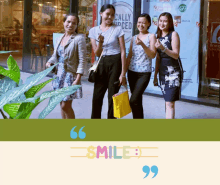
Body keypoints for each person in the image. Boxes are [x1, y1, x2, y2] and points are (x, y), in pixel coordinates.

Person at [88, 4, 127, 119]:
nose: (110, 17)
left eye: (112, 15)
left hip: (115, 62)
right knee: (97, 97)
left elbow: (123, 51)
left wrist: (123, 73)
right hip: (101, 63)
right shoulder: (93, 31)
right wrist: (100, 42)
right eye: (107, 14)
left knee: (113, 97)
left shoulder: (118, 29)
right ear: (101, 14)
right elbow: (97, 53)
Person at [46, 13, 86, 119]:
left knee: (65, 106)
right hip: (58, 75)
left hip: (70, 76)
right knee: (61, 104)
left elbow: (82, 61)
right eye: (68, 22)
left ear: (77, 25)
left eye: (74, 23)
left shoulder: (79, 38)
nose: (70, 25)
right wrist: (49, 62)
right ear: (64, 22)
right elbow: (55, 56)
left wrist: (77, 79)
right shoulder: (59, 38)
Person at [153, 12, 183, 119]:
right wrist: (155, 75)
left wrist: (163, 48)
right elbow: (157, 58)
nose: (162, 23)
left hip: (173, 72)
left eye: (165, 21)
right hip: (162, 72)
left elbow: (176, 55)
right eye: (160, 21)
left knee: (170, 103)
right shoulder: (157, 36)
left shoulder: (173, 34)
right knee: (167, 102)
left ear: (170, 22)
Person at [126, 13, 156, 119]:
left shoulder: (151, 36)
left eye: (143, 22)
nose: (141, 25)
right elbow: (129, 56)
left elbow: (152, 55)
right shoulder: (133, 38)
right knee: (137, 101)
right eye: (139, 22)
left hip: (144, 73)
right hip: (131, 72)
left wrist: (143, 44)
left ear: (148, 24)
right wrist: (123, 73)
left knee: (133, 100)